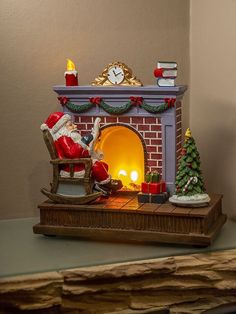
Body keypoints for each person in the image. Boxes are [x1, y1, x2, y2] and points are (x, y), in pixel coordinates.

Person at [41, 111, 122, 196]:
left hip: (77, 163)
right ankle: (107, 184)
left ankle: (99, 186)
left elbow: (77, 153)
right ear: (62, 129)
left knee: (104, 165)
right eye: (70, 125)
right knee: (97, 166)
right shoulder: (63, 138)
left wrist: (88, 148)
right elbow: (71, 153)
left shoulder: (69, 137)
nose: (75, 126)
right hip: (71, 167)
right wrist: (83, 141)